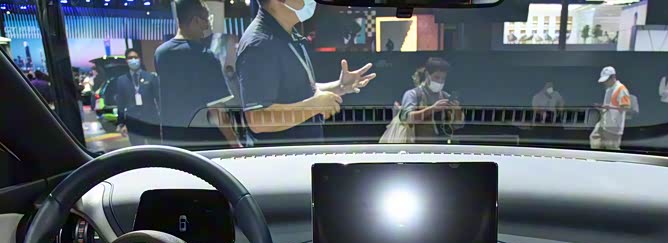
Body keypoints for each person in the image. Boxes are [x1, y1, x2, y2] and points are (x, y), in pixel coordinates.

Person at [236, 0, 376, 144]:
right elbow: (258, 119)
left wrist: (340, 86)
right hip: (281, 155)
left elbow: (298, 91)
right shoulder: (259, 45)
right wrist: (314, 105)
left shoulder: (287, 34)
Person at [155, 0, 231, 146]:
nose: (207, 26)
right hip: (205, 140)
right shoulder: (205, 56)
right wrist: (234, 141)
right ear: (195, 20)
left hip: (173, 140)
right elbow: (216, 109)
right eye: (206, 20)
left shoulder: (160, 54)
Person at [399, 57, 463, 141]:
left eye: (443, 78)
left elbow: (458, 125)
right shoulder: (413, 94)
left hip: (442, 146)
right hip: (417, 146)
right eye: (436, 77)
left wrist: (457, 110)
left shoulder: (445, 96)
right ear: (427, 75)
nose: (440, 81)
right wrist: (432, 109)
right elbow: (406, 119)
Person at [115, 48, 160, 145]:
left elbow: (159, 99)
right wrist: (121, 123)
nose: (133, 60)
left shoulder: (151, 77)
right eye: (130, 58)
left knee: (155, 148)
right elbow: (121, 103)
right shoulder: (121, 80)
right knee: (138, 149)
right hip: (133, 122)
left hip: (151, 120)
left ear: (140, 59)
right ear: (126, 61)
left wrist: (163, 119)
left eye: (135, 57)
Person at [590, 66, 630, 151]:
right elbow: (608, 105)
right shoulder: (609, 89)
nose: (605, 83)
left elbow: (626, 107)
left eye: (606, 80)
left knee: (612, 149)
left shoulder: (621, 89)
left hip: (613, 128)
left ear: (613, 77)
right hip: (604, 123)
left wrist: (610, 107)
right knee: (594, 138)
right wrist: (601, 107)